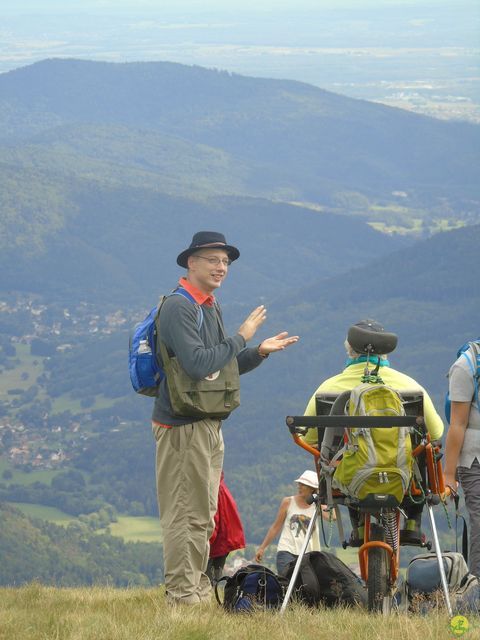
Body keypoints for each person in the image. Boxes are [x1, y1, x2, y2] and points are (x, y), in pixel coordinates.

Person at [151, 231, 299, 605]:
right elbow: (199, 363)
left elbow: (220, 369)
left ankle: (196, 587)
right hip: (183, 426)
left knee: (203, 512)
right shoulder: (179, 307)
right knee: (187, 512)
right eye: (213, 260)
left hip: (205, 422)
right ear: (191, 262)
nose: (221, 267)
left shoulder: (207, 305)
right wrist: (242, 336)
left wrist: (257, 352)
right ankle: (184, 595)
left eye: (226, 262)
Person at [302, 319, 444, 545]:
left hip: (348, 478)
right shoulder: (410, 385)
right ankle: (412, 523)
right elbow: (435, 432)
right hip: (404, 477)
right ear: (385, 354)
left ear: (349, 350)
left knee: (347, 460)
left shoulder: (328, 387)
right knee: (421, 450)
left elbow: (309, 437)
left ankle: (359, 526)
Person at [444, 340, 480, 578]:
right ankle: (477, 593)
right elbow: (458, 424)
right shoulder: (466, 366)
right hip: (474, 457)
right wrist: (448, 473)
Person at [255, 470, 331, 576]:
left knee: (306, 586)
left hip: (308, 553)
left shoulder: (317, 505)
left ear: (312, 488)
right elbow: (275, 527)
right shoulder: (288, 502)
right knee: (287, 581)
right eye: (299, 484)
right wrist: (262, 548)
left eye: (303, 485)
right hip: (287, 551)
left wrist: (322, 499)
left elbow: (333, 517)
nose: (299, 487)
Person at [206, 471, 246, 584]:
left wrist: (207, 540)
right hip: (225, 540)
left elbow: (215, 518)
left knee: (206, 577)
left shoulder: (214, 490)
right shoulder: (221, 487)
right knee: (216, 573)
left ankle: (207, 598)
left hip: (217, 541)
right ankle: (212, 596)